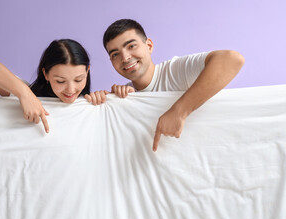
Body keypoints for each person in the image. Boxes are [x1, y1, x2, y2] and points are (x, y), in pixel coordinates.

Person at [103, 19, 245, 151]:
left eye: (131, 46)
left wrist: (179, 112)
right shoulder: (126, 94)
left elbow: (231, 60)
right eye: (115, 54)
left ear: (149, 46)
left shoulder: (174, 71)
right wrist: (109, 99)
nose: (125, 57)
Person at [0, 39, 108, 133]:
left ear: (87, 71)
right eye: (60, 81)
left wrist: (102, 100)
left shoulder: (88, 103)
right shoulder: (29, 95)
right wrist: (24, 94)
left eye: (78, 80)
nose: (71, 90)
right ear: (45, 74)